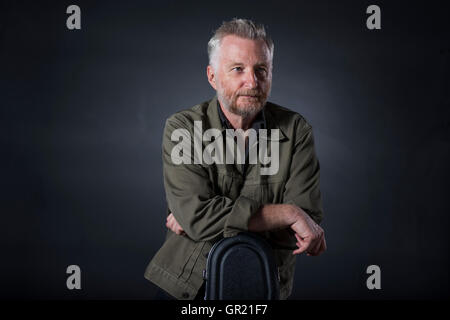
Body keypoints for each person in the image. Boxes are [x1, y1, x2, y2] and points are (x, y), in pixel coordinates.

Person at [144, 18, 326, 300]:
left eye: (261, 69)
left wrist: (199, 222)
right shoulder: (183, 128)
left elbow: (304, 233)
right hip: (187, 286)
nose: (252, 81)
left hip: (264, 286)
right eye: (238, 69)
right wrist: (289, 214)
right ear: (213, 76)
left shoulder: (296, 131)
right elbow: (198, 216)